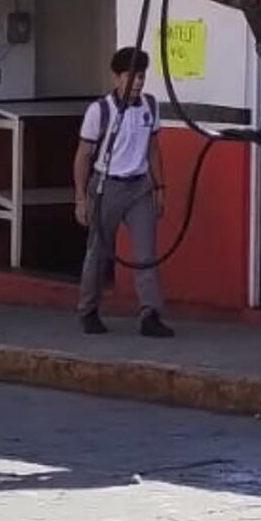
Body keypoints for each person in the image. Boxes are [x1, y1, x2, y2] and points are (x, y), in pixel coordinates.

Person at [74, 45, 175, 339]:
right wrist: (81, 198)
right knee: (98, 252)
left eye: (142, 76)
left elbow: (154, 149)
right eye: (132, 76)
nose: (138, 83)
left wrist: (160, 187)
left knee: (146, 254)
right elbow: (82, 155)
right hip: (106, 187)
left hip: (139, 186)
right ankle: (89, 310)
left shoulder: (150, 107)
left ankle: (150, 314)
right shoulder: (100, 111)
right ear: (116, 78)